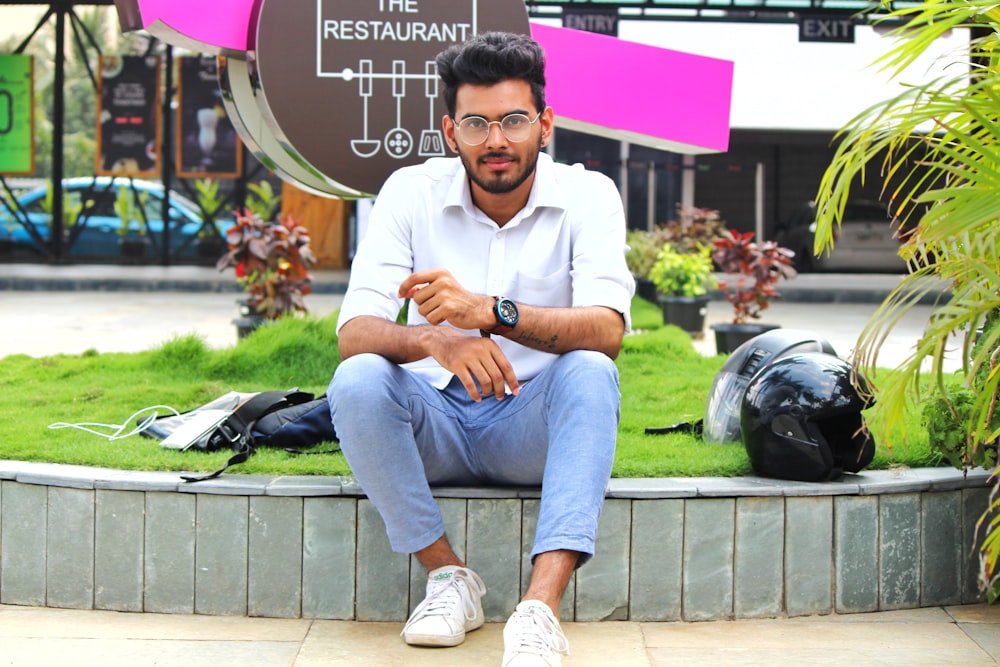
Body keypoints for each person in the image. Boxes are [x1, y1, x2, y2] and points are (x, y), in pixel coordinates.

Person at [327, 31, 634, 666]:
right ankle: (449, 579)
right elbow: (353, 331)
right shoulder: (409, 191)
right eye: (477, 123)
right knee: (358, 377)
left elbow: (608, 329)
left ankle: (538, 609)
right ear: (450, 131)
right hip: (434, 422)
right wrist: (435, 338)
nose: (497, 140)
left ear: (544, 125)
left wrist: (491, 314)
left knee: (591, 371)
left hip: (532, 424)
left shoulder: (589, 194)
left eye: (514, 120)